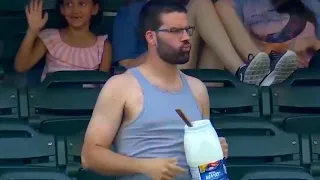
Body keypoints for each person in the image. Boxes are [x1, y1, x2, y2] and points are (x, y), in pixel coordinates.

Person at [81, 1, 228, 180]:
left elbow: (203, 165)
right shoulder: (121, 86)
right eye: (175, 31)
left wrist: (213, 152)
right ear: (151, 37)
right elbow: (90, 156)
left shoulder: (198, 89)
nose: (186, 37)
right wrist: (143, 166)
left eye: (187, 30)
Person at [14, 0, 112, 81]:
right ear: (62, 9)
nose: (75, 10)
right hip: (50, 102)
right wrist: (32, 31)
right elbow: (21, 67)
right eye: (68, 4)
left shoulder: (103, 46)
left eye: (82, 4)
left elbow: (102, 86)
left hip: (88, 103)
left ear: (94, 9)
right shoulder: (50, 37)